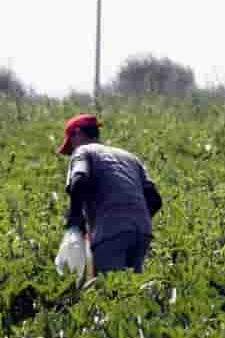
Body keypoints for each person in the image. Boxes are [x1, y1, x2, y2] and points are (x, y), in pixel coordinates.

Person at [59, 114, 162, 274]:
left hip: (110, 231)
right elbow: (155, 199)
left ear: (77, 133)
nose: (71, 149)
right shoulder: (130, 157)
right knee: (132, 289)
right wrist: (132, 220)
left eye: (70, 144)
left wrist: (74, 222)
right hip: (142, 232)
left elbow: (79, 181)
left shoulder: (82, 151)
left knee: (111, 290)